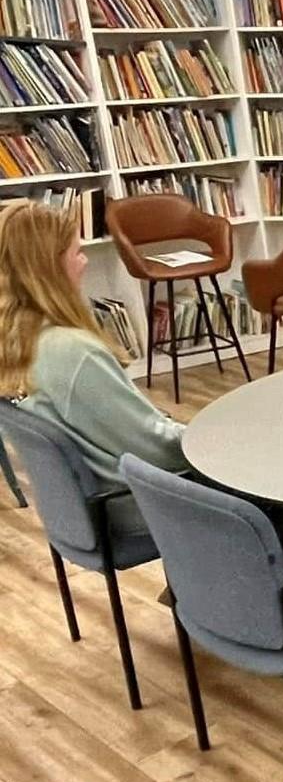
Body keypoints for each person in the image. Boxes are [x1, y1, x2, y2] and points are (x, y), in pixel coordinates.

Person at [0, 201, 186, 537]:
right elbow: (154, 447)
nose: (84, 262)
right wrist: (209, 439)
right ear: (48, 268)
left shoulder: (16, 342)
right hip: (137, 503)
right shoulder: (71, 351)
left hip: (82, 509)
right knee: (261, 481)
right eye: (77, 253)